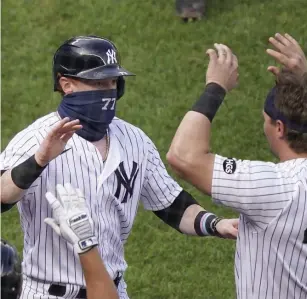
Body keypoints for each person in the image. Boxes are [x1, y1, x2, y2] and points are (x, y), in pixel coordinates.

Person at [0, 35, 238, 299]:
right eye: (98, 82)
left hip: (113, 291)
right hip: (47, 293)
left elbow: (172, 205)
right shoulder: (35, 139)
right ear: (66, 84)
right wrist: (39, 160)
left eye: (112, 82)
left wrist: (217, 224)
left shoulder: (135, 140)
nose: (108, 91)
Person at [167, 36, 307, 298]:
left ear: (280, 128)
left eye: (266, 120)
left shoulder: (276, 188)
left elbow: (183, 156)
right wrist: (305, 80)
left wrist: (215, 87)